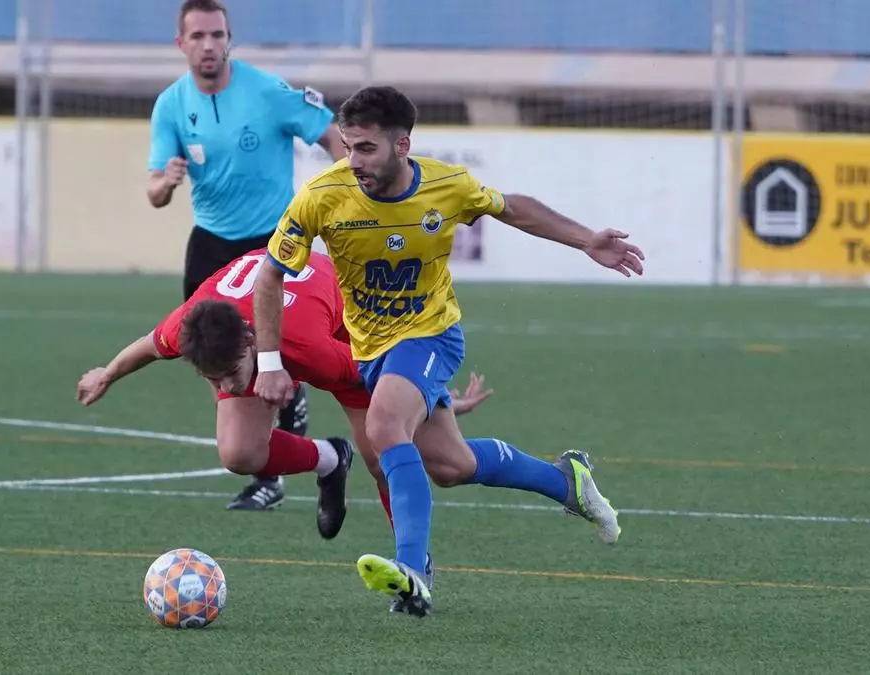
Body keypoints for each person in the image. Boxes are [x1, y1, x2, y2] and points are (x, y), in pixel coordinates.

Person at [251, 85, 646, 617]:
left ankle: (414, 571)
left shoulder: (447, 185)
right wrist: (270, 363)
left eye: (366, 148)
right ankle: (565, 481)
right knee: (450, 465)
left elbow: (512, 208)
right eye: (348, 146)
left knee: (384, 426)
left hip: (431, 334)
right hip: (371, 349)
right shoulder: (322, 196)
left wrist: (586, 240)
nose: (354, 160)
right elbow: (270, 275)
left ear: (402, 145)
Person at [75, 249, 495, 545]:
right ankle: (330, 458)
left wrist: (431, 397)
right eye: (213, 379)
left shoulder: (312, 348)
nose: (227, 388)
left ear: (250, 342)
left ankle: (412, 568)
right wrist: (107, 374)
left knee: (381, 455)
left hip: (340, 322)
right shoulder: (188, 328)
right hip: (269, 318)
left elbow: (383, 372)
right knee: (239, 453)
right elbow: (150, 345)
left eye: (230, 375)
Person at [146, 0, 346, 511]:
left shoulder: (266, 91)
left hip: (275, 244)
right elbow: (154, 190)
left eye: (217, 35)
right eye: (198, 36)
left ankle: (275, 466)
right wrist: (165, 183)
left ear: (229, 39)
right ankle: (267, 472)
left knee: (281, 358)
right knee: (220, 359)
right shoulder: (171, 104)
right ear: (181, 44)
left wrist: (349, 187)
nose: (209, 45)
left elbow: (329, 133)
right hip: (211, 247)